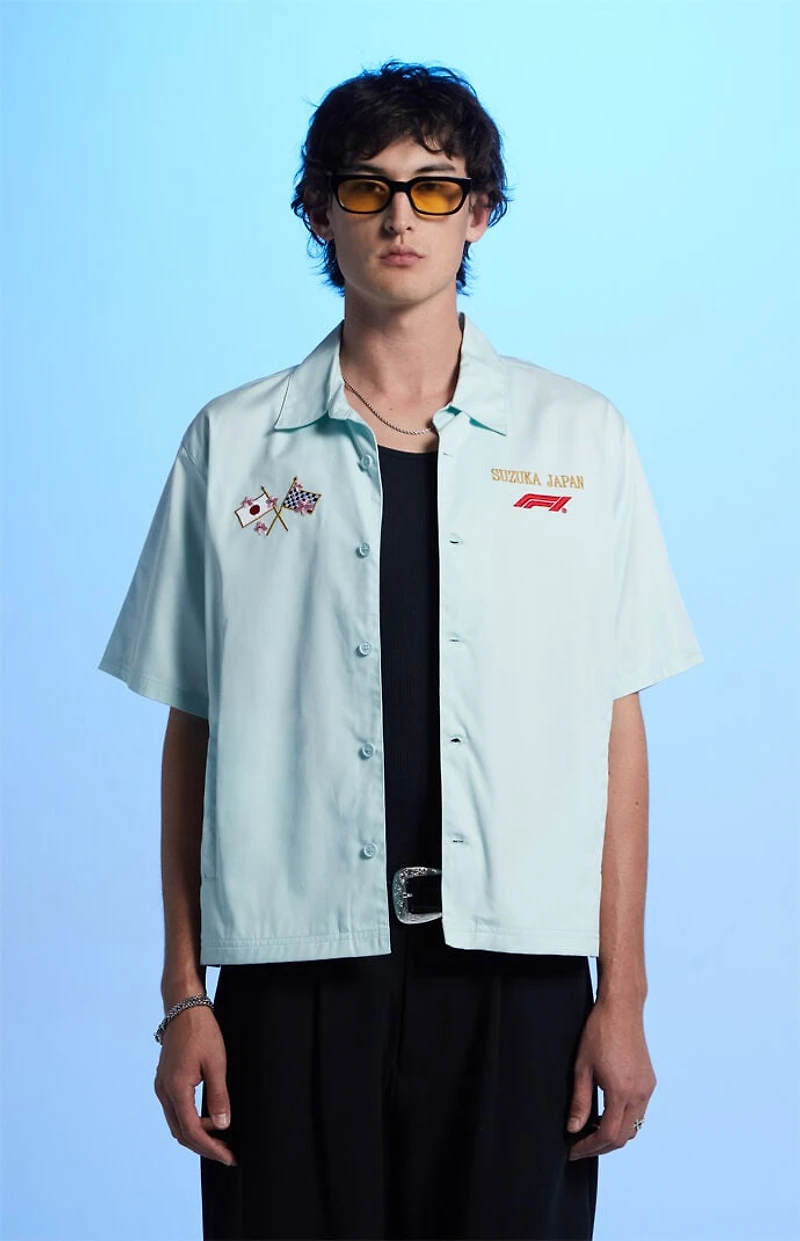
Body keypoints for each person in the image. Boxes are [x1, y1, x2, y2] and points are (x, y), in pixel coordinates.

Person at [98, 60, 702, 1241]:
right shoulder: (233, 443)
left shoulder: (579, 437)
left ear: (480, 213)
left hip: (520, 978)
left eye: (434, 187)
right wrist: (183, 995)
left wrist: (620, 993)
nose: (398, 217)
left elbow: (612, 732)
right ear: (316, 211)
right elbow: (193, 729)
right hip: (292, 974)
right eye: (364, 187)